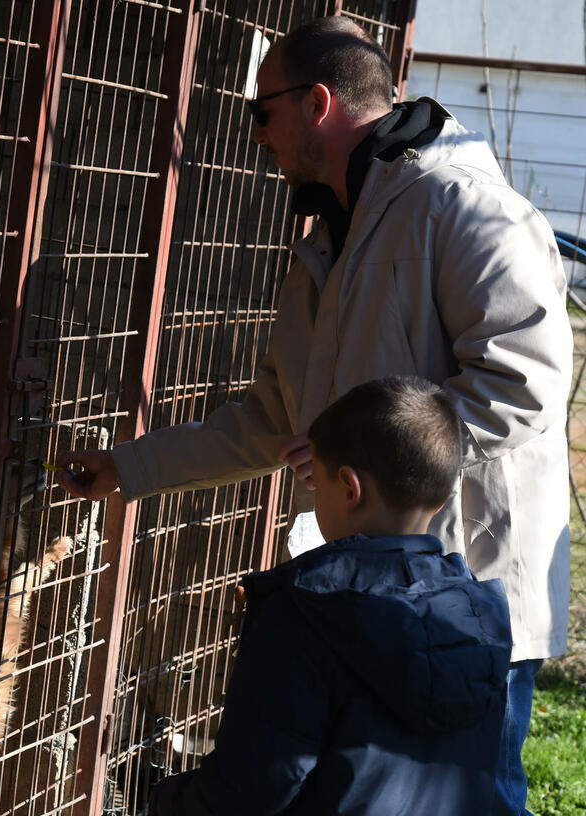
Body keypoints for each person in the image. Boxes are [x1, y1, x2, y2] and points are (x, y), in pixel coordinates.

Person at [56, 16, 571, 816]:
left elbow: (529, 380)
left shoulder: (462, 205)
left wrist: (376, 452)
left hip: (465, 599)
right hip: (372, 599)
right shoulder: (333, 233)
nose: (254, 134)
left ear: (319, 103)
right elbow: (273, 416)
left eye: (262, 111)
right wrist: (130, 466)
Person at [146, 376, 513, 816]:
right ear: (440, 498)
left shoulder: (307, 611)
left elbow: (255, 785)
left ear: (350, 487)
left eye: (316, 484)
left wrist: (163, 800)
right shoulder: (480, 614)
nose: (314, 496)